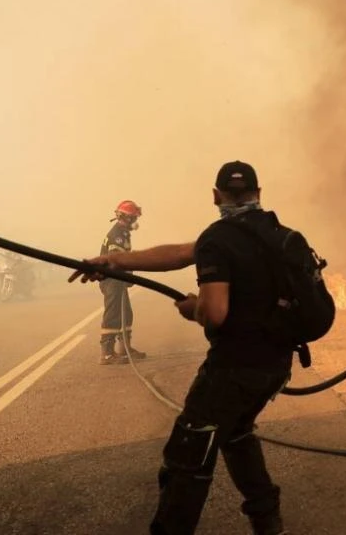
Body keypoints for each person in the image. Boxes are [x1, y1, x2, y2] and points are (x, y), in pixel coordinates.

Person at [71, 161, 293, 535]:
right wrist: (113, 261)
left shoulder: (220, 238)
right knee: (237, 435)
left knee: (188, 455)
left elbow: (216, 312)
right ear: (259, 194)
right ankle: (268, 521)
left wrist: (194, 309)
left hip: (233, 369)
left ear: (215, 196)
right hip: (276, 365)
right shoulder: (279, 235)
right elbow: (178, 253)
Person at [99, 200, 146, 365]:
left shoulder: (123, 233)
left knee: (126, 312)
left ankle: (125, 348)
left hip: (118, 278)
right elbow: (116, 260)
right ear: (126, 218)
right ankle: (107, 353)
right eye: (133, 218)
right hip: (111, 279)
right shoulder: (117, 235)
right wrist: (127, 275)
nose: (134, 221)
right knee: (113, 313)